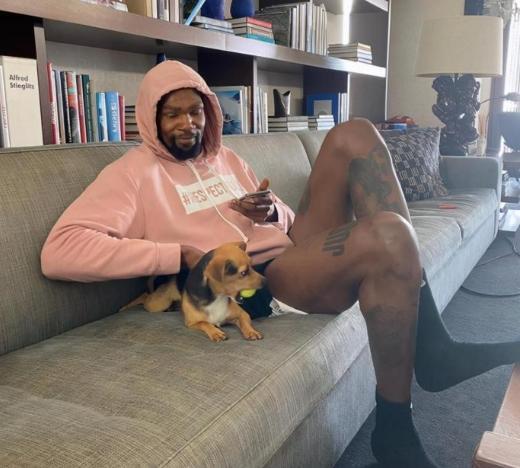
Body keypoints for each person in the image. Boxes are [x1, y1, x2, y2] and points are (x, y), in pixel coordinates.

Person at [41, 61, 520, 467]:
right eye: (172, 114)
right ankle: (395, 427)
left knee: (355, 133)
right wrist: (177, 254)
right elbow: (61, 250)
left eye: (195, 111)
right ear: (150, 118)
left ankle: (433, 345)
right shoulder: (131, 174)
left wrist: (271, 211)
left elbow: (286, 222)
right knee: (389, 234)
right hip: (260, 282)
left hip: (289, 248)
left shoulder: (226, 157)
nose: (188, 124)